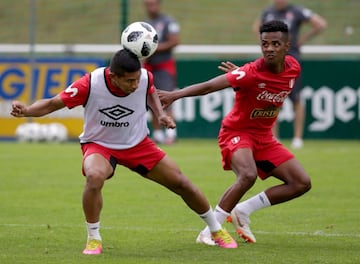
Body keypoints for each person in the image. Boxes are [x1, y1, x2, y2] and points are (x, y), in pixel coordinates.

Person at [10, 49, 238, 254]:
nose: (134, 85)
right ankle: (93, 238)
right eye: (129, 81)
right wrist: (27, 110)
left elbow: (150, 92)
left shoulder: (145, 77)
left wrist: (160, 115)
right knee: (94, 176)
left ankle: (216, 230)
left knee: (182, 183)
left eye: (137, 79)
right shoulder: (89, 84)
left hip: (138, 144)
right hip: (100, 144)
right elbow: (52, 104)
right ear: (113, 76)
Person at [158, 20, 311, 245]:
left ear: (287, 46)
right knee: (247, 175)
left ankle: (243, 211)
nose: (269, 48)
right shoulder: (250, 72)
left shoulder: (294, 68)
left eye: (275, 44)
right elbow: (210, 86)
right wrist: (175, 94)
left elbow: (268, 95)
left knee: (301, 183)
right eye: (264, 44)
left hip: (264, 138)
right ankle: (211, 231)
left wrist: (244, 85)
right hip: (237, 133)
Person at [253, 0, 327, 149]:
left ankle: (297, 138)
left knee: (296, 98)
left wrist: (303, 39)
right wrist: (265, 47)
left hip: (291, 59)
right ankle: (273, 137)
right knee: (271, 99)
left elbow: (320, 24)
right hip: (272, 62)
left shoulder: (297, 11)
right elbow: (256, 27)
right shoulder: (268, 12)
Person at [143, 0, 180, 144]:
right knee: (151, 99)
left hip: (164, 66)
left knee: (166, 98)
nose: (151, 7)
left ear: (159, 5)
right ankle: (157, 134)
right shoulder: (145, 24)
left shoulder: (168, 21)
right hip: (149, 67)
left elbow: (174, 41)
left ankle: (171, 134)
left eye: (153, 4)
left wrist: (153, 47)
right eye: (148, 4)